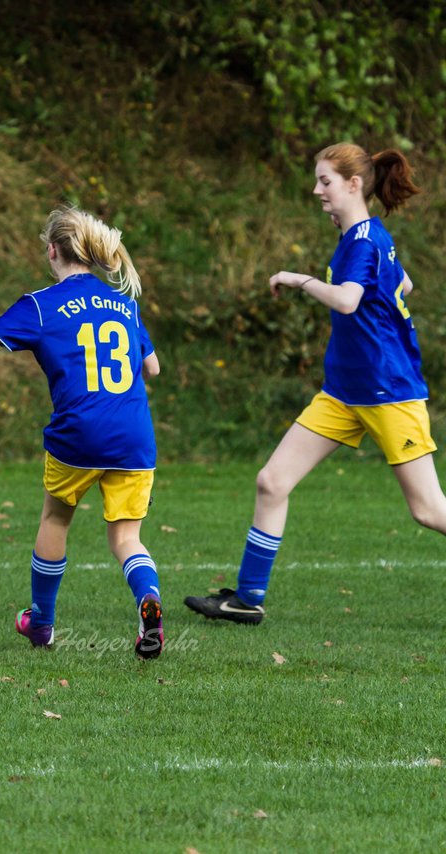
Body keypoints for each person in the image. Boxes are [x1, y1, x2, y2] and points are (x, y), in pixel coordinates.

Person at [185, 142, 442, 624]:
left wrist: (299, 278)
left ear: (353, 184)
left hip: (390, 390)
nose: (316, 190)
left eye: (325, 181)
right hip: (344, 392)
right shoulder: (364, 236)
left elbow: (347, 301)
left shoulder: (363, 240)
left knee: (428, 511)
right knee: (272, 481)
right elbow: (403, 285)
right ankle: (247, 598)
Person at [0, 205, 164, 659]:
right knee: (127, 538)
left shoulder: (41, 305)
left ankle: (42, 624)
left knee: (56, 519)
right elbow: (153, 366)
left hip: (78, 434)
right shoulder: (123, 302)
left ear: (53, 251)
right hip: (133, 434)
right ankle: (148, 598)